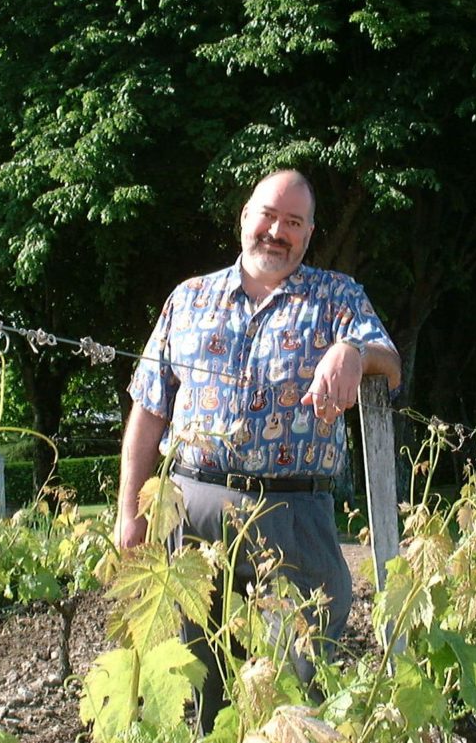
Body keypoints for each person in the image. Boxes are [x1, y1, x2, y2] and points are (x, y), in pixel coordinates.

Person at [118, 169, 402, 728]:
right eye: (269, 215)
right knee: (192, 688)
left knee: (296, 690)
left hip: (294, 520)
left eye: (293, 222)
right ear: (245, 217)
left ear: (309, 233)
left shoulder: (337, 297)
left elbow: (389, 365)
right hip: (189, 517)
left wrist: (352, 351)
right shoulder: (188, 299)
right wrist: (129, 511)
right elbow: (148, 410)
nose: (278, 230)